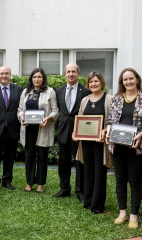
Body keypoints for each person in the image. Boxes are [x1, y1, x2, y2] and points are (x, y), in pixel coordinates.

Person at [106, 68, 142, 229]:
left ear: (137, 79)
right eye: (125, 79)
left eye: (131, 78)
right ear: (122, 82)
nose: (128, 82)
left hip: (138, 146)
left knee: (135, 182)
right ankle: (122, 213)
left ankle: (134, 216)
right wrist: (107, 129)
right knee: (120, 181)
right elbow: (110, 121)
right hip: (117, 146)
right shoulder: (116, 99)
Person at [74, 71, 113, 214]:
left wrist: (105, 132)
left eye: (96, 81)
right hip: (85, 141)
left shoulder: (109, 99)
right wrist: (75, 133)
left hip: (100, 142)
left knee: (99, 172)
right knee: (88, 170)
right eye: (91, 82)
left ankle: (97, 205)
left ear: (101, 82)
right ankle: (88, 201)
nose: (93, 84)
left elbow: (112, 120)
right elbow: (79, 118)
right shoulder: (85, 100)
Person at [17, 68, 59, 193]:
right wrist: (21, 117)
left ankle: (40, 183)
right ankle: (29, 182)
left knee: (42, 156)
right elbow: (19, 109)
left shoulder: (50, 92)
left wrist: (48, 118)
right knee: (29, 156)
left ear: (43, 79)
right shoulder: (26, 92)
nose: (36, 79)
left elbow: (55, 110)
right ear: (31, 78)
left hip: (43, 127)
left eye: (39, 77)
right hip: (28, 128)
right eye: (34, 77)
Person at [53, 63, 90, 202]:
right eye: (68, 71)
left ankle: (80, 191)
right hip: (63, 132)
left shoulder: (85, 91)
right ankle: (64, 189)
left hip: (79, 133)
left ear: (78, 74)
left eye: (73, 71)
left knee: (79, 162)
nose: (71, 74)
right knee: (63, 162)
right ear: (65, 74)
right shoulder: (59, 91)